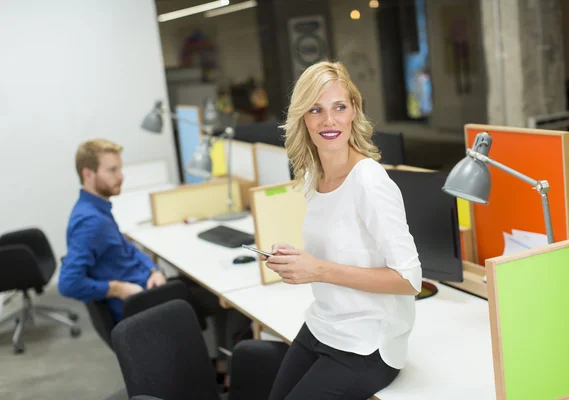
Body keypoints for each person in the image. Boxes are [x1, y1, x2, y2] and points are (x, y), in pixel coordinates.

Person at [262, 61, 422, 400]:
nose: (329, 120)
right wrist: (298, 260)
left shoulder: (368, 180)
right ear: (303, 118)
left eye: (339, 107)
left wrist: (318, 270)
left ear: (354, 110)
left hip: (367, 344)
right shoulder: (313, 175)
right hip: (323, 324)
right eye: (316, 109)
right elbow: (338, 246)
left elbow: (410, 280)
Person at [58, 139, 249, 383]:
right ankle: (230, 378)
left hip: (149, 288)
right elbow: (68, 283)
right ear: (88, 174)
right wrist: (118, 289)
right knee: (229, 302)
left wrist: (153, 268)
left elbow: (128, 248)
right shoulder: (90, 222)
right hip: (139, 306)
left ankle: (220, 370)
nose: (121, 176)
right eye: (112, 170)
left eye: (120, 168)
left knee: (207, 289)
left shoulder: (97, 209)